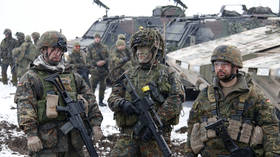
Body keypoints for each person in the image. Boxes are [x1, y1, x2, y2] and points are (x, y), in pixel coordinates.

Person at [15, 31, 103, 157]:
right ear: (43, 50)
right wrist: (31, 134)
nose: (58, 53)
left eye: (61, 50)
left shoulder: (71, 75)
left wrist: (96, 124)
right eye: (54, 49)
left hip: (74, 142)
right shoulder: (31, 77)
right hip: (47, 144)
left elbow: (90, 98)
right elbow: (25, 106)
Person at [184, 45, 280, 157]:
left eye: (224, 65)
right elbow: (193, 127)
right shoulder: (205, 95)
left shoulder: (253, 95)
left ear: (235, 67)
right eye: (216, 64)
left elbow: (270, 128)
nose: (219, 68)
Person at [108, 28, 184, 156]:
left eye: (145, 48)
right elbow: (112, 97)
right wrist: (122, 104)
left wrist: (155, 121)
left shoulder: (168, 73)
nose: (140, 52)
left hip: (155, 134)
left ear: (155, 51)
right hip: (129, 134)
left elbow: (175, 101)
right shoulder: (129, 74)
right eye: (138, 48)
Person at [87, 33, 109, 107]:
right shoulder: (90, 47)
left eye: (98, 38)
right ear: (94, 38)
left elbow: (108, 57)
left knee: (103, 87)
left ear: (100, 38)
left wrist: (104, 61)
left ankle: (101, 101)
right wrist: (96, 63)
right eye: (96, 38)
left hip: (103, 70)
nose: (97, 39)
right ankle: (91, 101)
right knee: (92, 87)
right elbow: (88, 59)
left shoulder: (104, 47)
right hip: (95, 70)